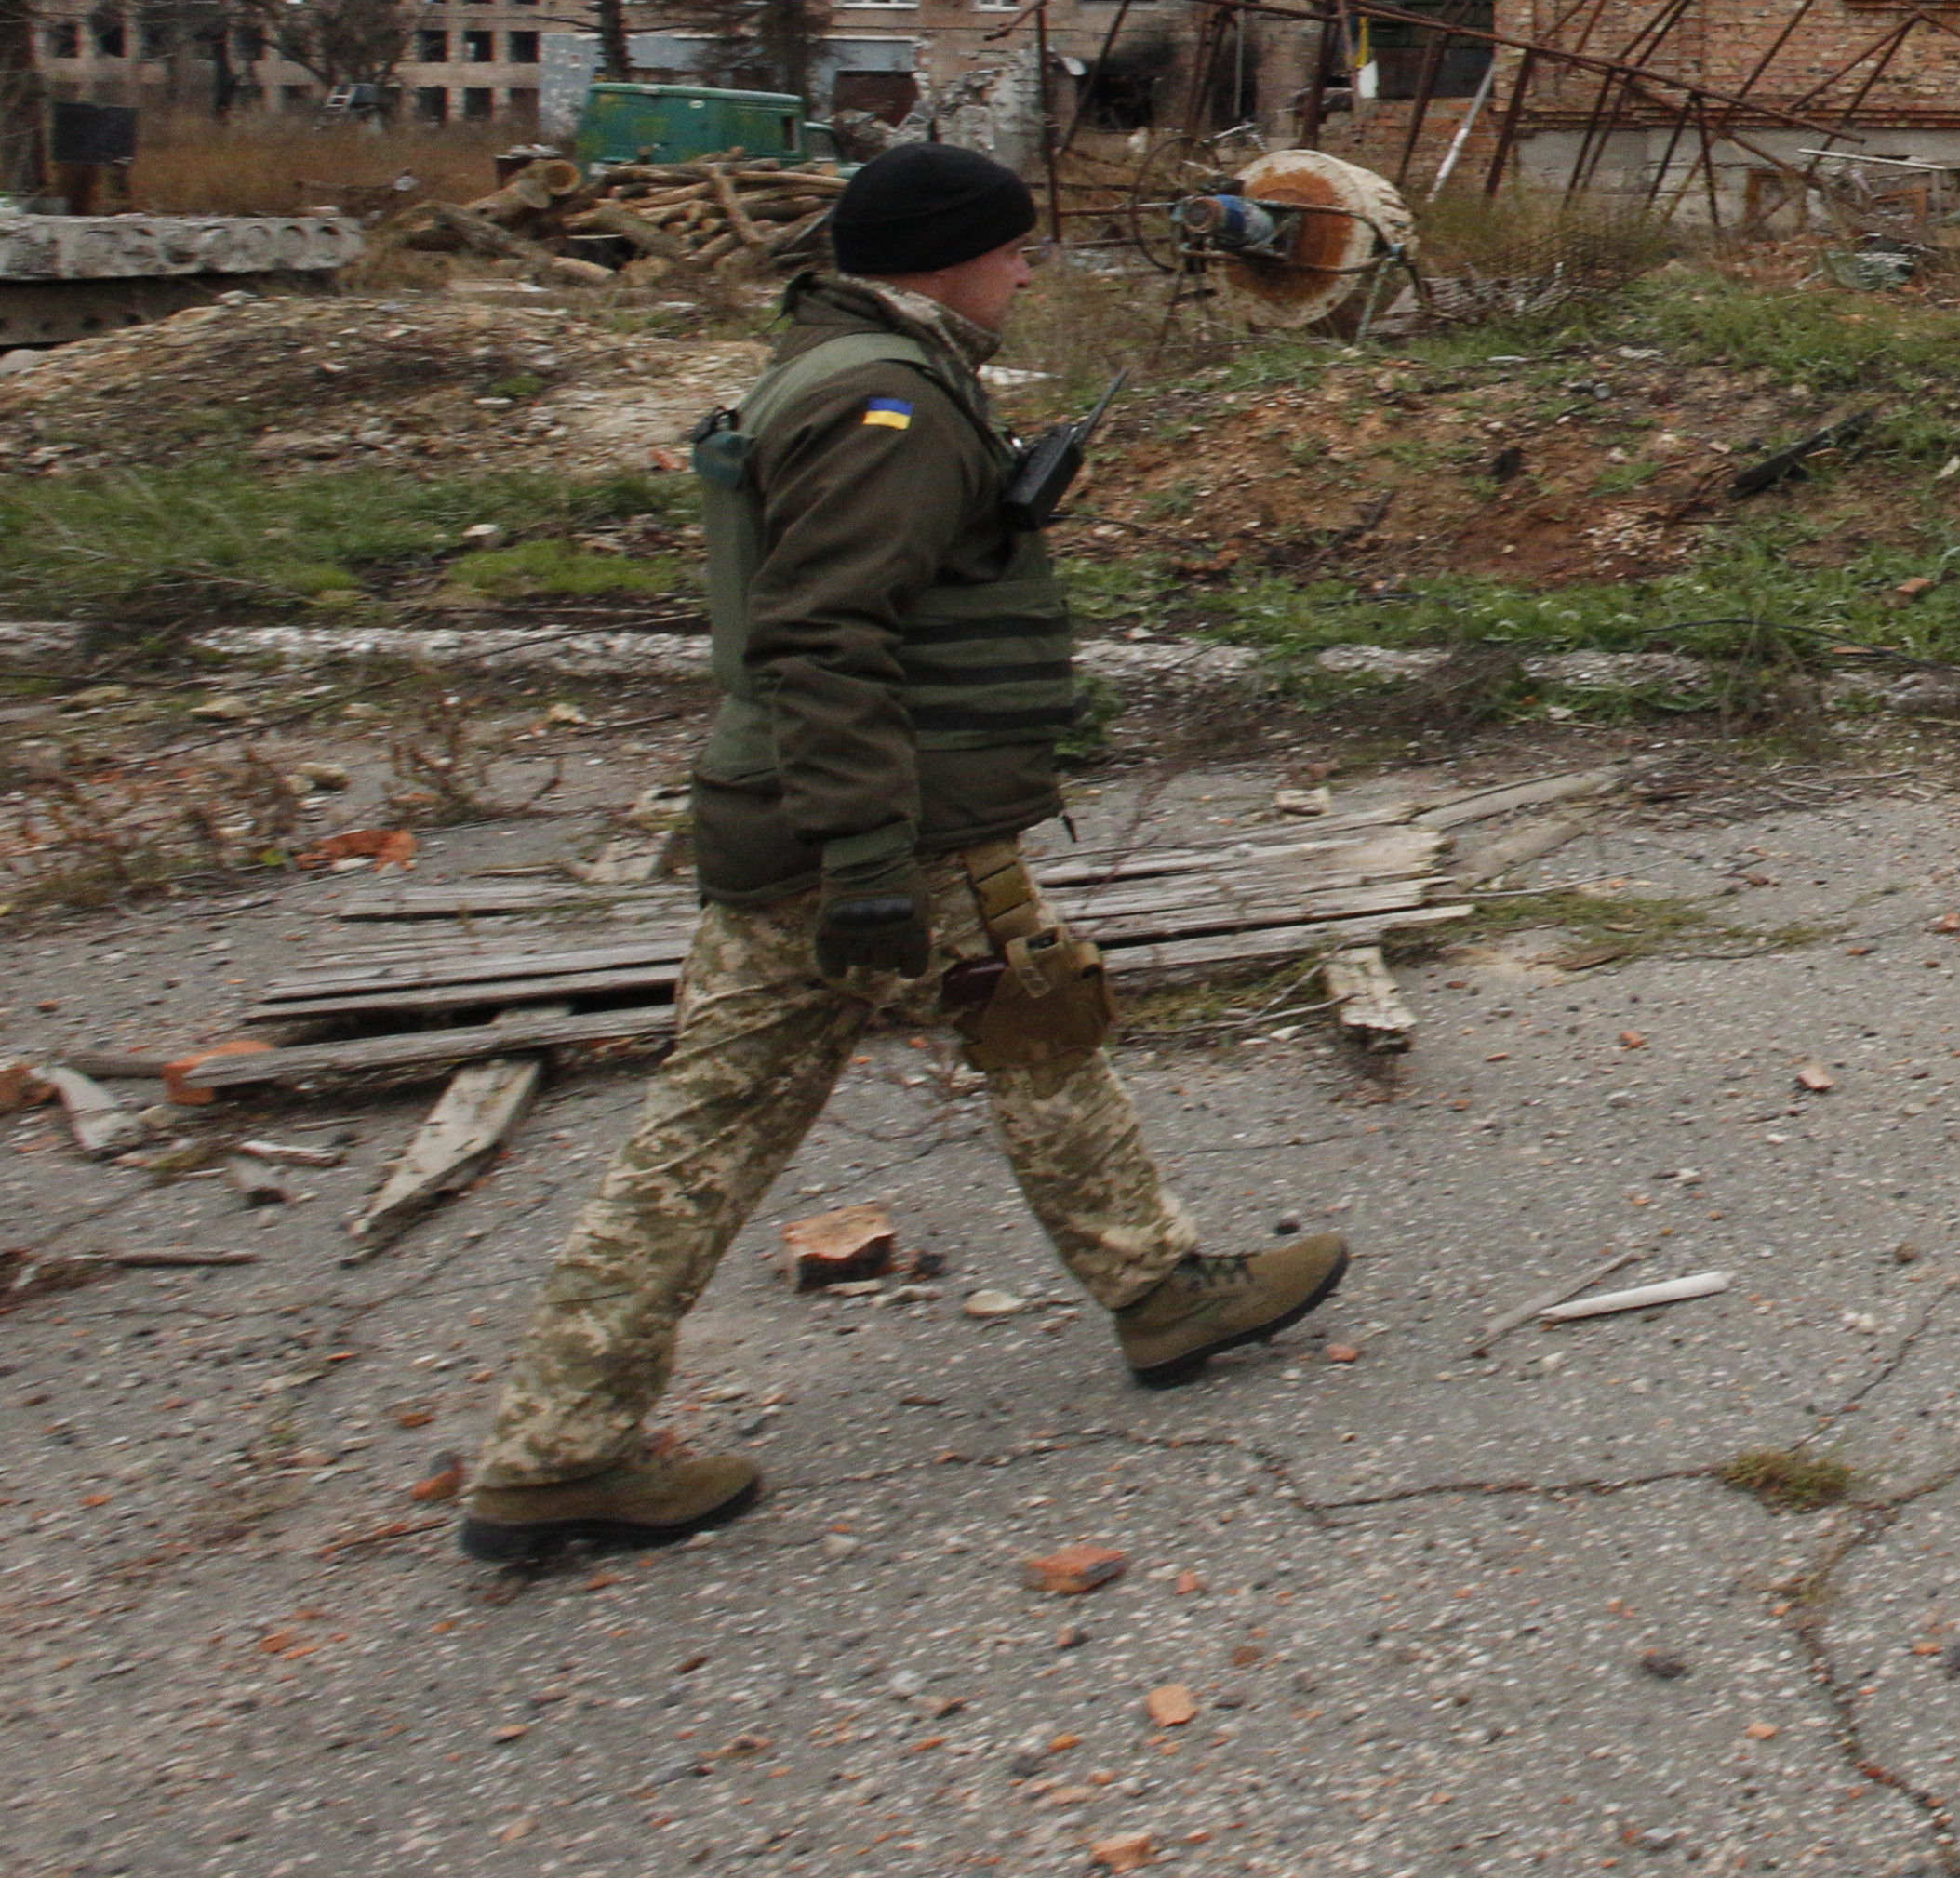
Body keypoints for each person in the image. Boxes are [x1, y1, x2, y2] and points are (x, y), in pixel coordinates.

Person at [458, 145, 1346, 1567]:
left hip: (888, 811)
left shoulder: (862, 368)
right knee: (722, 1129)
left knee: (1037, 1023)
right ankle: (561, 1450)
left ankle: (1161, 1285)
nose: (1029, 266)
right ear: (943, 257)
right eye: (1012, 247)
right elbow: (821, 636)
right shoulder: (882, 402)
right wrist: (866, 858)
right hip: (867, 822)